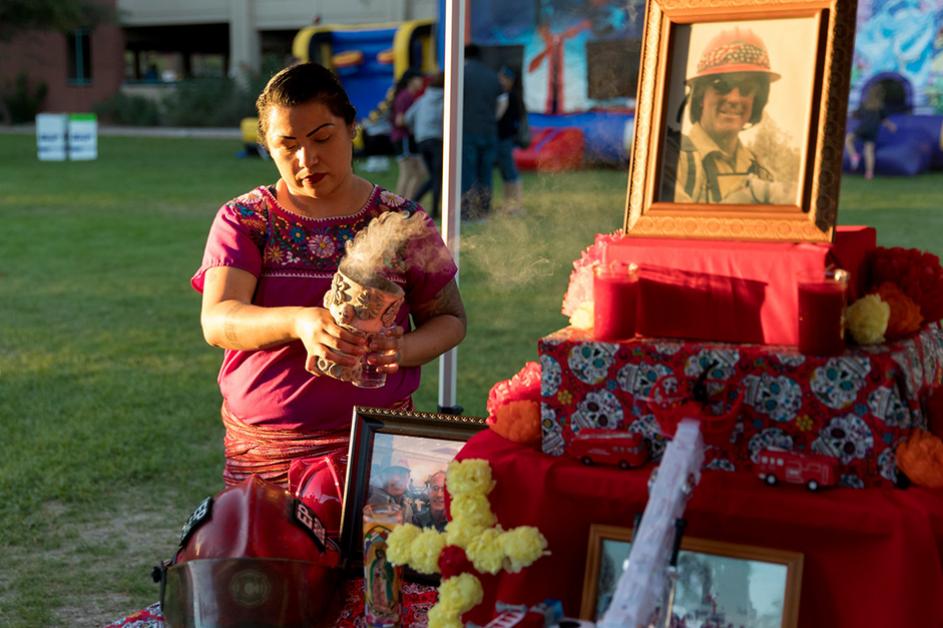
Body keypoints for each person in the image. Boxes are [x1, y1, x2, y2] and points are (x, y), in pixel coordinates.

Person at [192, 62, 466, 488]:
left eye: (322, 137)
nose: (307, 159)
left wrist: (402, 349)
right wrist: (298, 321)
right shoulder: (247, 219)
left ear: (352, 127)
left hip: (379, 443)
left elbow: (450, 319)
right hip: (269, 454)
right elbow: (218, 319)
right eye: (287, 145)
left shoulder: (400, 220)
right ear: (267, 146)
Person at [662, 28, 790, 205]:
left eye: (746, 89)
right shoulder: (671, 159)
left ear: (756, 101)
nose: (734, 98)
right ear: (700, 96)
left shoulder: (760, 169)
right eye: (721, 86)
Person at [461, 43, 505, 219]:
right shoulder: (491, 76)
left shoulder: (461, 74)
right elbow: (503, 101)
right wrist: (494, 118)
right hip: (488, 130)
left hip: (467, 131)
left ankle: (468, 211)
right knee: (486, 172)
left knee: (468, 172)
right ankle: (485, 209)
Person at [404, 71, 445, 218]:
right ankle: (432, 209)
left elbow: (408, 117)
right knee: (438, 177)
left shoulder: (422, 99)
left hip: (421, 140)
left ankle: (413, 205)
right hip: (436, 140)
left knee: (435, 176)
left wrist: (417, 130)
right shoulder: (446, 99)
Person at [391, 68, 429, 201]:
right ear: (410, 81)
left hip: (408, 138)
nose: (421, 82)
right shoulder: (405, 96)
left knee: (420, 172)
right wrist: (416, 125)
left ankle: (407, 203)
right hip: (403, 138)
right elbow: (399, 120)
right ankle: (396, 207)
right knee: (407, 173)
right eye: (419, 79)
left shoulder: (410, 96)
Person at [845, 84, 897, 180]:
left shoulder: (865, 104)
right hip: (873, 130)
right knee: (869, 151)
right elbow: (884, 120)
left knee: (848, 139)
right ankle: (869, 173)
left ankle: (854, 156)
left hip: (863, 127)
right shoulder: (880, 107)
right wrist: (891, 126)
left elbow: (857, 114)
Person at [495, 66, 525, 214]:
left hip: (504, 138)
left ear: (509, 80)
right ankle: (509, 205)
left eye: (502, 78)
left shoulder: (509, 96)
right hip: (506, 138)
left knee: (511, 173)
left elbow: (500, 117)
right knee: (506, 173)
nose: (499, 80)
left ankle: (517, 205)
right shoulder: (512, 95)